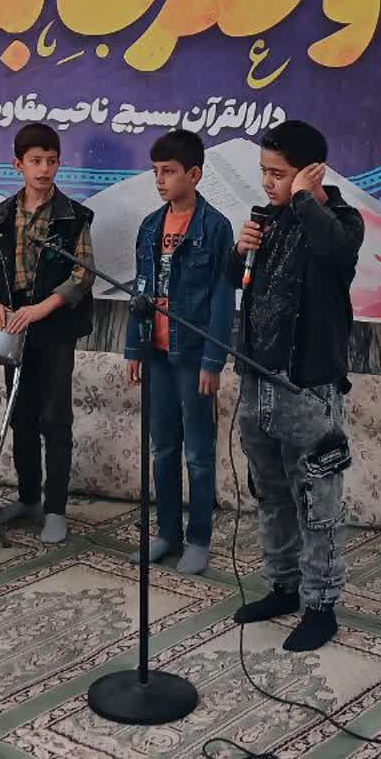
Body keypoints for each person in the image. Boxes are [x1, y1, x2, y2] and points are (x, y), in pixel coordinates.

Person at [225, 119, 363, 653]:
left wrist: (306, 197)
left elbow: (335, 254)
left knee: (318, 501)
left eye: (279, 174)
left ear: (311, 174)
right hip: (257, 382)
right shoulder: (269, 219)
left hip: (308, 389)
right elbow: (234, 284)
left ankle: (321, 605)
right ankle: (282, 587)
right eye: (264, 171)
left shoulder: (342, 222)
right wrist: (239, 252)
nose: (268, 182)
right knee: (271, 494)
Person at [0, 123, 94, 545]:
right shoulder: (2, 215)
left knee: (55, 418)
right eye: (35, 161)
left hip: (54, 327)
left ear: (59, 164)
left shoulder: (73, 216)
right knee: (20, 415)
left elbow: (82, 275)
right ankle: (28, 498)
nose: (44, 170)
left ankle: (55, 509)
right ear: (18, 164)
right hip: (14, 328)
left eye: (51, 161)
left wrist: (42, 309)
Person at [123, 130, 236, 577]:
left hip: (192, 356)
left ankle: (199, 538)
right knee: (163, 448)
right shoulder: (151, 226)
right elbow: (140, 291)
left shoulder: (216, 228)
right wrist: (134, 346)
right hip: (156, 354)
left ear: (194, 174)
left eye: (168, 172)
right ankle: (166, 533)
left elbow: (223, 299)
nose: (160, 180)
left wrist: (213, 359)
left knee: (198, 453)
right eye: (156, 172)